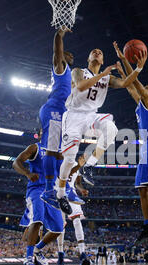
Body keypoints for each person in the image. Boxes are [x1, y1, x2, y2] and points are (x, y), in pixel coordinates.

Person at [53, 46, 148, 213]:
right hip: (74, 116)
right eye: (94, 52)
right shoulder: (78, 71)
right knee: (69, 159)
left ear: (103, 60)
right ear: (89, 58)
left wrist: (138, 68)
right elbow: (81, 86)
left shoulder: (107, 78)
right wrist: (103, 74)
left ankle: (88, 166)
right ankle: (60, 194)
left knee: (112, 129)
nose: (97, 52)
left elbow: (126, 83)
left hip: (91, 115)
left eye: (100, 52)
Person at [113, 41, 148, 245]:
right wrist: (122, 61)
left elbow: (136, 83)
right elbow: (130, 86)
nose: (143, 88)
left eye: (147, 88)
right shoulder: (140, 103)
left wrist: (135, 68)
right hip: (146, 147)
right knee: (142, 188)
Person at [13, 130, 80, 265]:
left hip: (52, 192)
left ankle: (37, 250)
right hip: (36, 190)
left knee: (58, 228)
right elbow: (16, 162)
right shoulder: (34, 148)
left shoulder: (58, 153)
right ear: (40, 134)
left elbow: (64, 172)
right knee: (37, 220)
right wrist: (27, 173)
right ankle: (28, 259)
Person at [39, 28, 82, 208]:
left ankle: (60, 186)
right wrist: (60, 35)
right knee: (51, 151)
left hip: (63, 113)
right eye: (66, 52)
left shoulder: (69, 75)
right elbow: (57, 50)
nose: (69, 54)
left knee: (61, 153)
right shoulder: (59, 67)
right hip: (53, 110)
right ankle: (49, 190)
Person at [56, 156, 91, 265]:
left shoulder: (77, 164)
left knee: (77, 221)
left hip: (72, 193)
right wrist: (78, 166)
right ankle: (60, 254)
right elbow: (65, 177)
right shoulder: (60, 162)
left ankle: (82, 253)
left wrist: (82, 190)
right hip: (60, 193)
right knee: (60, 226)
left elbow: (77, 183)